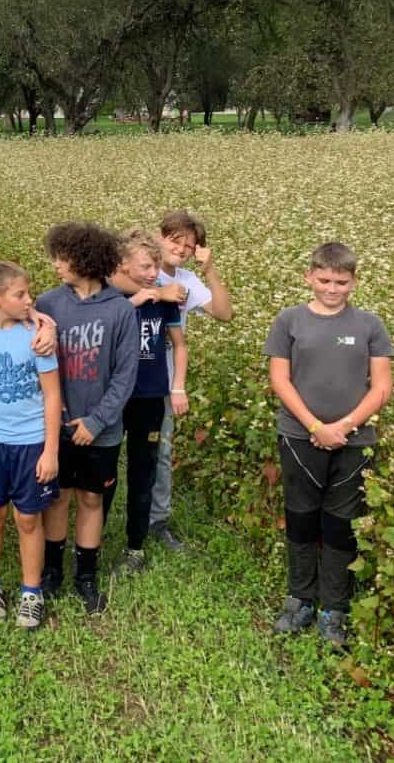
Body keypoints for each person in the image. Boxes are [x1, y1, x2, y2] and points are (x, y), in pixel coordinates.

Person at [266, 242, 393, 646]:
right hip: (300, 435)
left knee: (341, 523)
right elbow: (280, 380)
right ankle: (299, 599)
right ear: (309, 277)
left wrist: (344, 426)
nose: (332, 288)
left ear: (354, 282)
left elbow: (382, 386)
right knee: (301, 516)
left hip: (355, 441)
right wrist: (315, 426)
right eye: (324, 280)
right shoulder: (288, 321)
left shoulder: (370, 325)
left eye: (341, 282)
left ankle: (333, 608)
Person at [35, 222, 138, 615]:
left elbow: (125, 374)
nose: (57, 264)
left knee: (92, 498)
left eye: (64, 258)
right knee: (58, 497)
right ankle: (52, 572)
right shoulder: (47, 304)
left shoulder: (119, 310)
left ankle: (86, 575)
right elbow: (39, 365)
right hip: (57, 426)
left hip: (102, 429)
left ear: (86, 259)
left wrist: (96, 421)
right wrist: (59, 414)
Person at [0, 262, 62, 629]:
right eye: (21, 295)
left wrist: (50, 450)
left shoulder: (37, 335)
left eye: (28, 293)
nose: (29, 299)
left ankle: (31, 592)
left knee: (29, 517)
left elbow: (52, 396)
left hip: (31, 442)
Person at [147, 210, 235, 551]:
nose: (181, 249)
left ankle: (157, 520)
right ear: (159, 236)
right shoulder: (137, 269)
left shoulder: (187, 280)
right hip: (124, 376)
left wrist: (208, 270)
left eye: (189, 245)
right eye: (175, 240)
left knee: (161, 451)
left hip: (164, 377)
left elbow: (224, 314)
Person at [106, 229, 186, 573]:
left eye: (156, 265)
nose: (154, 272)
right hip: (112, 398)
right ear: (122, 265)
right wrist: (137, 299)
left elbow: (179, 344)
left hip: (151, 395)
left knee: (144, 470)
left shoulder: (164, 300)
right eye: (145, 266)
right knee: (104, 472)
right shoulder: (109, 298)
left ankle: (135, 545)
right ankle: (92, 539)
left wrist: (177, 386)